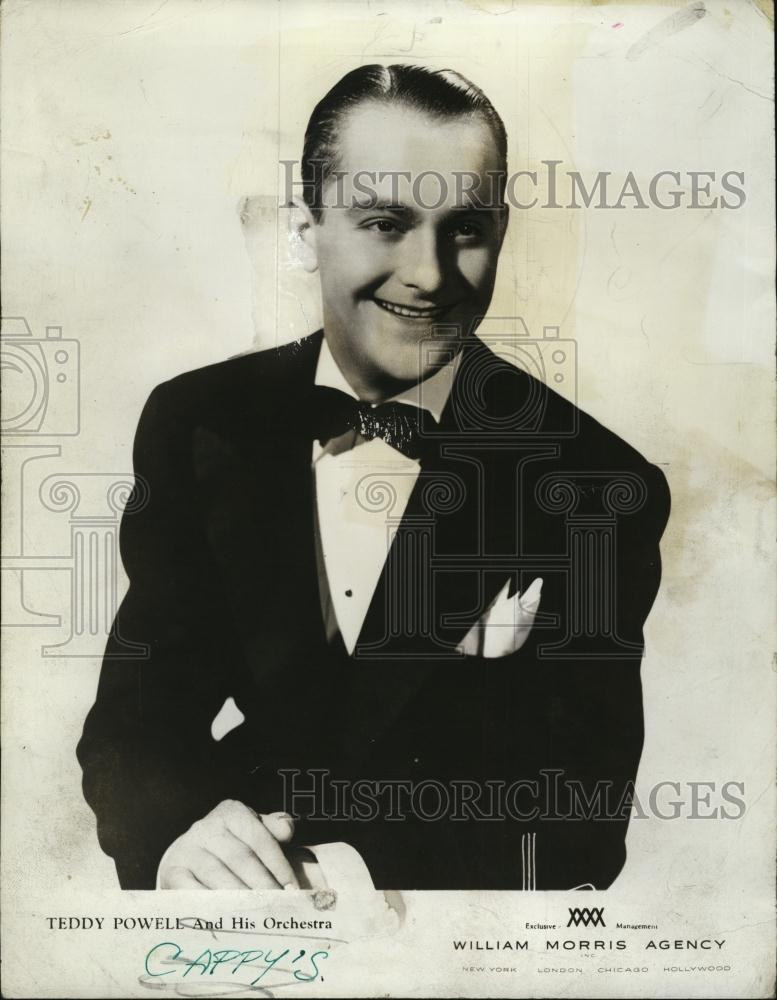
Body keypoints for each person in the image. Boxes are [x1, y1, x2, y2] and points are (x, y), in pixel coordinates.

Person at [77, 64, 670, 891]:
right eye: (385, 221)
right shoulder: (199, 420)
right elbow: (136, 722)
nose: (428, 274)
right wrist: (181, 833)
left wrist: (341, 884)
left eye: (464, 228)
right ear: (303, 230)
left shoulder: (596, 482)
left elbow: (578, 824)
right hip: (224, 927)